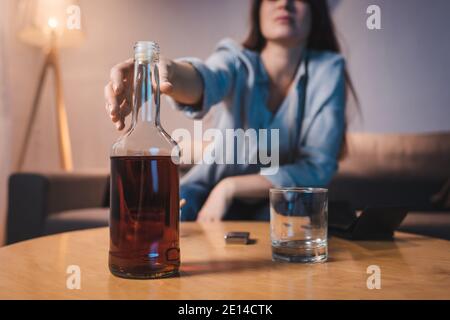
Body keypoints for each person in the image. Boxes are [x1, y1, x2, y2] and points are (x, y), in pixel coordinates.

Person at [104, 0, 356, 222]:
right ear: (258, 10)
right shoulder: (236, 59)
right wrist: (167, 70)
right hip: (201, 191)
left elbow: (316, 169)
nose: (284, 2)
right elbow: (205, 78)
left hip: (281, 205)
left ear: (316, 10)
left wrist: (230, 187)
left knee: (279, 227)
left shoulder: (328, 69)